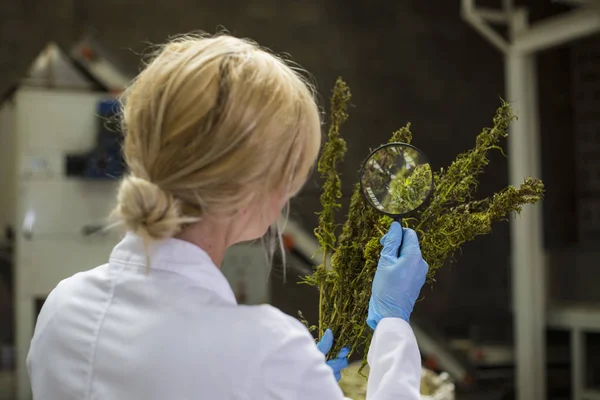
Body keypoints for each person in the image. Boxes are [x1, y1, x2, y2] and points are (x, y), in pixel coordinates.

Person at [27, 33, 428, 399]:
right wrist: (392, 327)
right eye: (290, 176)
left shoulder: (64, 307)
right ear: (250, 189)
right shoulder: (268, 350)